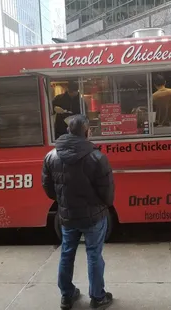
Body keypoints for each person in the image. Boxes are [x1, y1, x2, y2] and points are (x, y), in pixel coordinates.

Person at [41, 114, 115, 310]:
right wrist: (103, 206)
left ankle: (67, 296)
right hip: (94, 217)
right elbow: (107, 191)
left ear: (68, 131)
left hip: (67, 216)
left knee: (66, 253)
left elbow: (48, 188)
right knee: (94, 255)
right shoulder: (97, 156)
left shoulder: (51, 156)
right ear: (86, 131)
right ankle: (98, 297)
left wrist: (63, 202)